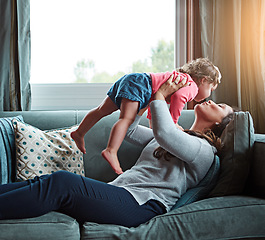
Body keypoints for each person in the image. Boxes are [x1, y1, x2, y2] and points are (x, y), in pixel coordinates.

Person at [0, 76, 234, 228]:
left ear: (219, 124)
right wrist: (146, 96)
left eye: (220, 107)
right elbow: (130, 131)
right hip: (120, 194)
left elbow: (164, 134)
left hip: (140, 206)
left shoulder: (204, 151)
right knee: (46, 181)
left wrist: (162, 96)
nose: (213, 101)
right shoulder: (179, 134)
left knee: (62, 182)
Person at [71, 58, 222, 175]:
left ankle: (79, 132)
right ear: (204, 81)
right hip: (141, 85)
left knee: (100, 110)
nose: (208, 96)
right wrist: (173, 122)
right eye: (211, 89)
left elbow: (156, 101)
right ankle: (111, 150)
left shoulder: (179, 78)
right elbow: (180, 97)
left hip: (135, 80)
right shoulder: (191, 87)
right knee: (126, 119)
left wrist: (153, 123)